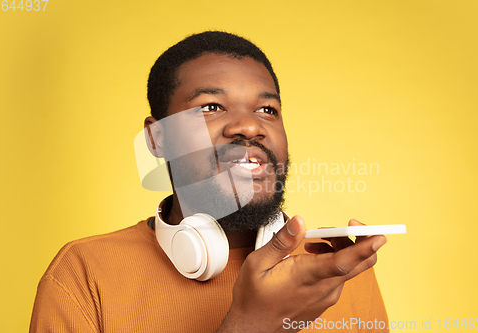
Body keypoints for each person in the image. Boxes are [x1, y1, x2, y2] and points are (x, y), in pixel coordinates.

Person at [30, 31, 389, 332]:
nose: (250, 126)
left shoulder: (338, 270)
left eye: (267, 110)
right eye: (211, 107)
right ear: (158, 138)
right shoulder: (83, 274)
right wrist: (250, 324)